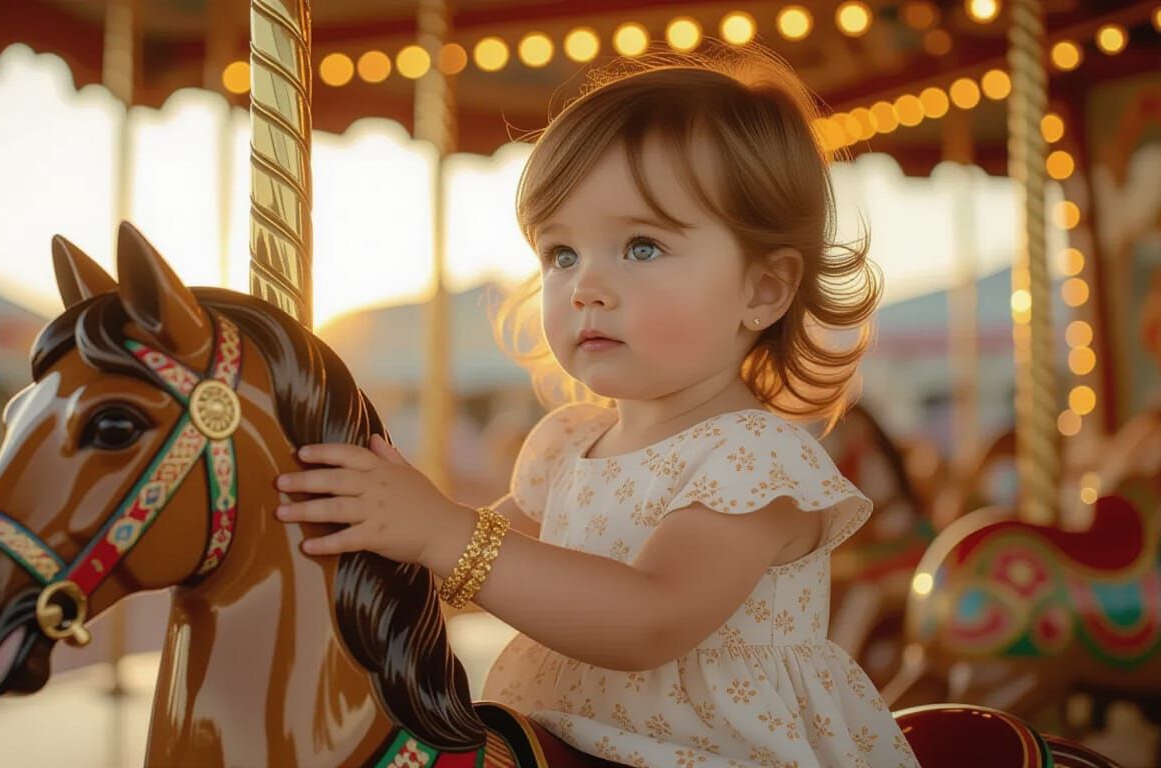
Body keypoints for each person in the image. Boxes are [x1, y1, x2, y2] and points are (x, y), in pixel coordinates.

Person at [273, 46, 919, 766]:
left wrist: (442, 532)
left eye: (641, 247)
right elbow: (482, 576)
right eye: (561, 254)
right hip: (557, 739)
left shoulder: (756, 462)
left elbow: (650, 619)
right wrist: (372, 539)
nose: (585, 286)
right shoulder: (566, 443)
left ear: (762, 290)